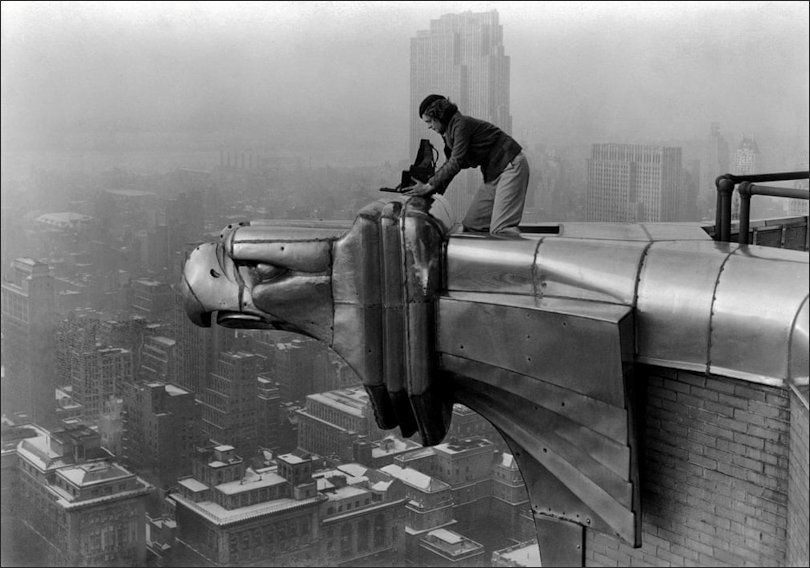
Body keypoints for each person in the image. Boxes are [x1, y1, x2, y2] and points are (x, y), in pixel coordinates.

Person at [404, 94, 530, 237]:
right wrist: (432, 191)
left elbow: (455, 162)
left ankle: (513, 257)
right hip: (494, 173)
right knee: (473, 226)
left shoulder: (460, 125)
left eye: (430, 121)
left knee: (502, 230)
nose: (429, 126)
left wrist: (429, 186)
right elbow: (450, 164)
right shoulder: (449, 131)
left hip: (510, 166)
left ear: (439, 116)